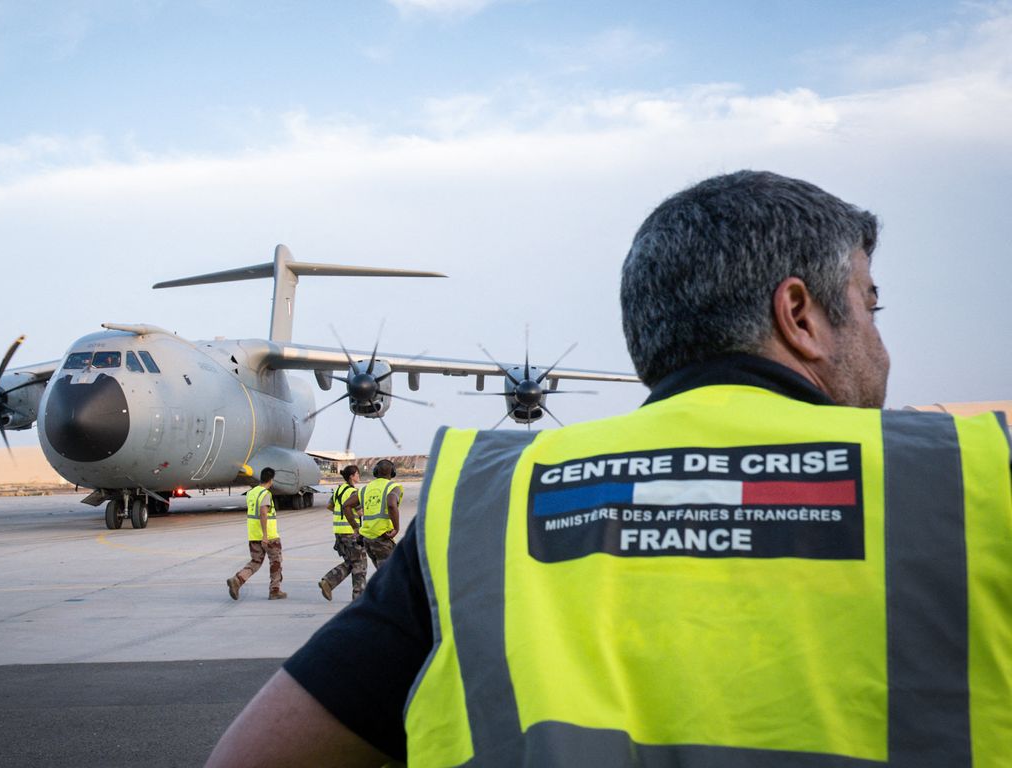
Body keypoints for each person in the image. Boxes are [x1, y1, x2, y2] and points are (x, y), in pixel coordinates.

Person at [207, 171, 1012, 767]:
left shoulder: (485, 507)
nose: (882, 342)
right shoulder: (971, 482)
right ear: (800, 315)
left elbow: (254, 758)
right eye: (870, 305)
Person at [225, 467, 286, 600]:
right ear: (271, 480)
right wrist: (265, 535)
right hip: (268, 536)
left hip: (253, 535)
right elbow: (263, 513)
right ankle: (275, 590)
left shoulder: (251, 493)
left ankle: (238, 579)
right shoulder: (265, 494)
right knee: (276, 562)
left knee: (256, 561)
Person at [318, 464, 367, 601]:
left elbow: (329, 506)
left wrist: (340, 514)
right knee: (360, 564)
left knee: (351, 562)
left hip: (339, 532)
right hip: (350, 532)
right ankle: (359, 597)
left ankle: (328, 581)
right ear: (352, 476)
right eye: (357, 474)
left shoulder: (339, 490)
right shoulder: (352, 492)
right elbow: (359, 511)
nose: (359, 476)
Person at [356, 459, 402, 568]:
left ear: (375, 471)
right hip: (382, 537)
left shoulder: (365, 489)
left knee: (383, 572)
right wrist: (396, 528)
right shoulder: (393, 487)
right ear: (393, 472)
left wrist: (355, 527)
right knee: (389, 575)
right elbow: (391, 504)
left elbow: (346, 505)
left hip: (368, 539)